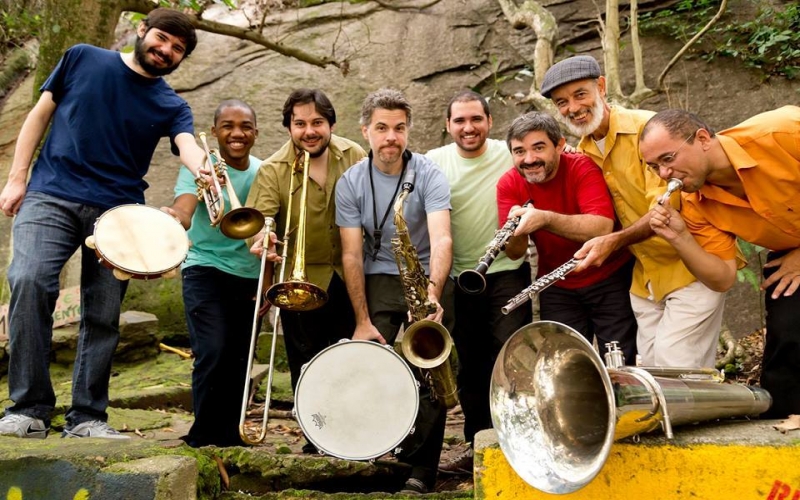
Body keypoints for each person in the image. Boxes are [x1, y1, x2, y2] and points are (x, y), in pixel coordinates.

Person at [0, 8, 206, 439]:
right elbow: (39, 115)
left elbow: (186, 144)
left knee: (104, 313)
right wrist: (17, 177)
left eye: (178, 49)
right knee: (29, 279)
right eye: (163, 38)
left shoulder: (172, 103)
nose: (166, 50)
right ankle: (29, 408)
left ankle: (87, 417)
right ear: (141, 30)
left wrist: (206, 169)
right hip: (50, 194)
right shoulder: (82, 57)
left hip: (120, 214)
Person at [540, 55, 726, 368]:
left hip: (690, 268)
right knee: (651, 376)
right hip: (645, 279)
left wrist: (613, 241)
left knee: (677, 372)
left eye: (580, 94)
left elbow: (664, 210)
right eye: (561, 102)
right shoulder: (580, 152)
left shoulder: (648, 129)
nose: (572, 108)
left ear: (601, 86)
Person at [643, 106, 800, 419]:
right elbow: (723, 278)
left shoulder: (783, 131)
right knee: (787, 336)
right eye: (653, 166)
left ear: (702, 138)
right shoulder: (693, 203)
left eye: (668, 159)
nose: (663, 175)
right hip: (788, 253)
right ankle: (779, 433)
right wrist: (680, 238)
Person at [336, 88, 453, 495]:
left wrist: (434, 292)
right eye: (382, 128)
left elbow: (441, 239)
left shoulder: (429, 173)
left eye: (399, 128)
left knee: (432, 368)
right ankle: (373, 455)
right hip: (380, 277)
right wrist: (362, 319)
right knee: (372, 364)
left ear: (409, 130)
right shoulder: (350, 182)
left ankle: (421, 468)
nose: (391, 137)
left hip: (426, 275)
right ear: (365, 130)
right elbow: (351, 255)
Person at [245, 88, 365, 452]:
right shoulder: (272, 169)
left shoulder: (355, 155)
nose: (309, 131)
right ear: (288, 128)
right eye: (300, 124)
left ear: (330, 123)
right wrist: (263, 238)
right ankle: (316, 434)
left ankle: (352, 434)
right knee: (305, 358)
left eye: (317, 122)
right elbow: (261, 219)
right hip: (300, 279)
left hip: (351, 274)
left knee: (350, 358)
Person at [425, 90, 531, 474]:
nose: (468, 128)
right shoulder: (433, 161)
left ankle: (518, 443)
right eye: (460, 121)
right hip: (458, 279)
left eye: (476, 119)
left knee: (511, 359)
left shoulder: (511, 153)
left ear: (489, 121)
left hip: (507, 273)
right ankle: (477, 445)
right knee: (470, 365)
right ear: (447, 125)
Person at [498, 112, 638, 361]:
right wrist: (516, 229)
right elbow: (514, 252)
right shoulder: (508, 183)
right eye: (519, 151)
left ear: (560, 145)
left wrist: (545, 219)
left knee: (619, 360)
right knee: (566, 365)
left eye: (538, 148)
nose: (529, 159)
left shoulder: (581, 167)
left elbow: (601, 227)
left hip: (608, 277)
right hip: (556, 286)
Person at [163, 99, 262, 447]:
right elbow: (185, 209)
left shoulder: (263, 171)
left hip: (250, 275)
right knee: (213, 348)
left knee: (239, 355)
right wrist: (175, 217)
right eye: (228, 126)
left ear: (256, 132)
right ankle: (204, 433)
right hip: (204, 268)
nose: (237, 133)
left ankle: (230, 434)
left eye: (245, 126)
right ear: (216, 131)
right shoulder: (199, 167)